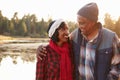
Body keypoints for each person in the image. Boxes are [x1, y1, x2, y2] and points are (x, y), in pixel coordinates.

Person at [37, 2, 120, 80]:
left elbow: (116, 67)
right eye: (78, 23)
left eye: (82, 23)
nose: (79, 26)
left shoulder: (111, 38)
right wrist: (41, 48)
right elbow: (57, 42)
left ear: (93, 22)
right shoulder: (75, 36)